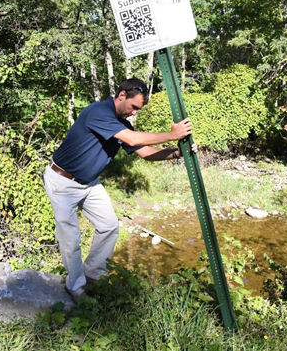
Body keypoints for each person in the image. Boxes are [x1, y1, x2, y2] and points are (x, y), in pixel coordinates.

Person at [44, 78, 195, 302]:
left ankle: (93, 274)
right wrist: (172, 134)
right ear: (122, 95)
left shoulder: (122, 124)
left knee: (109, 226)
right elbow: (132, 139)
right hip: (63, 181)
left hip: (88, 183)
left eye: (138, 110)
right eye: (133, 107)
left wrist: (176, 153)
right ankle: (75, 288)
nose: (134, 113)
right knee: (71, 238)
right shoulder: (98, 112)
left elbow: (145, 153)